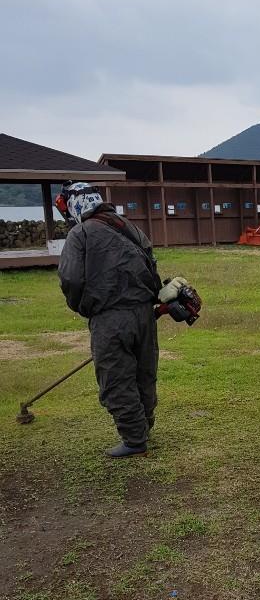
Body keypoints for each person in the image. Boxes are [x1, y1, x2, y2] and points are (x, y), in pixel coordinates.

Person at [56, 183, 162, 457]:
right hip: (144, 314)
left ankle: (135, 439)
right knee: (144, 373)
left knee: (116, 377)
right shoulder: (129, 227)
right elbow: (152, 267)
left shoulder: (80, 234)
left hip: (110, 318)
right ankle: (143, 427)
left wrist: (82, 307)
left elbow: (71, 278)